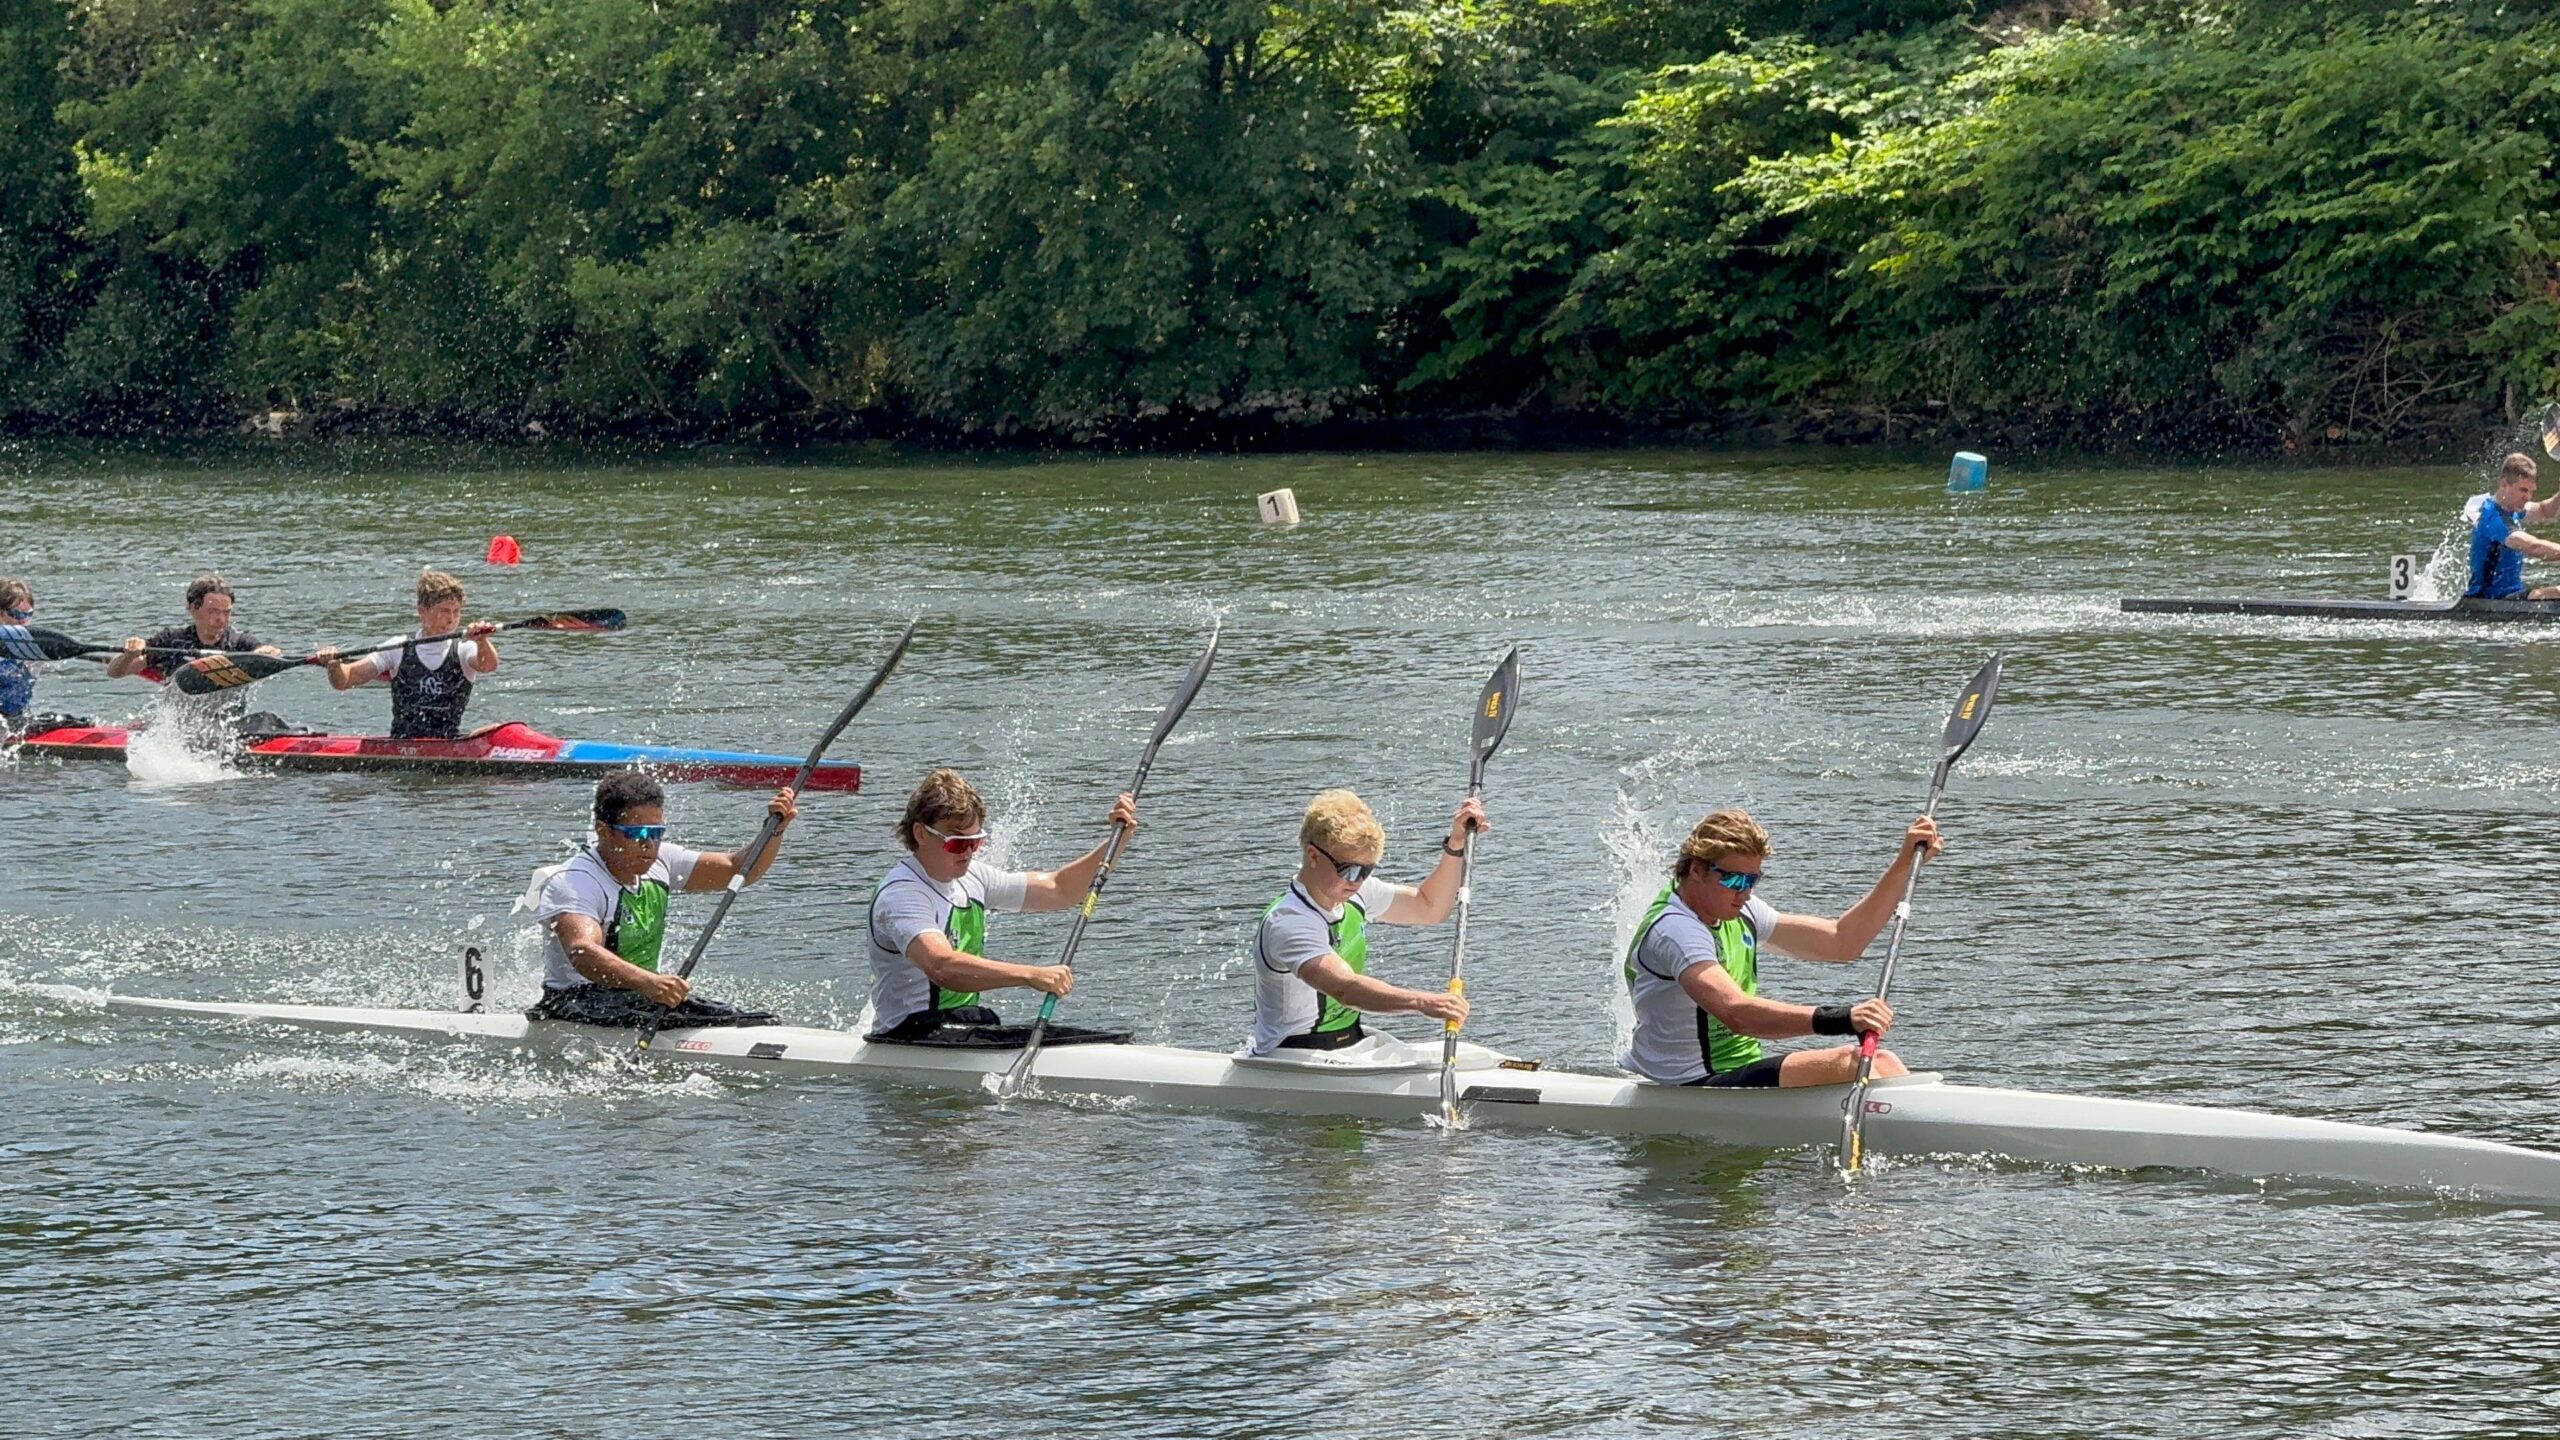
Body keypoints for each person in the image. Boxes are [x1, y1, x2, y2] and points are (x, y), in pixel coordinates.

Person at [1620, 807, 1942, 1088]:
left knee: (1879, 1061)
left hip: (1735, 1069)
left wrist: (1903, 865)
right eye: (1734, 880)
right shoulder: (1676, 930)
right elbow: (1736, 1013)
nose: (1744, 892)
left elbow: (1842, 941)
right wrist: (1842, 1018)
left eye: (1752, 880)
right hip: (1689, 1082)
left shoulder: (1740, 910)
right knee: (1857, 1063)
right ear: (1696, 871)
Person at [863, 767, 1141, 1045]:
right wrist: (1031, 975)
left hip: (956, 1024)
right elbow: (942, 967)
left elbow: (1060, 889)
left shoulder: (973, 877)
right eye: (958, 844)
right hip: (908, 1033)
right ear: (921, 834)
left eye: (976, 842)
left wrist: (1117, 842)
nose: (970, 853)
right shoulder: (902, 894)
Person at [522, 770, 797, 1027]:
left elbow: (738, 870)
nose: (649, 845)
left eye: (656, 833)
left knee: (737, 1015)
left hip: (635, 996)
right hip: (575, 1001)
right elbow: (582, 951)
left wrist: (774, 831)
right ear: (603, 831)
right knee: (716, 1016)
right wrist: (649, 982)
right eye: (638, 834)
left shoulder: (662, 861)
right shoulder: (576, 882)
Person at [1244, 789, 1482, 1055]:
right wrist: (1422, 1002)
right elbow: (1344, 989)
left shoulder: (1357, 893)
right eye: (1349, 870)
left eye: (1367, 870)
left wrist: (1456, 845)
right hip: (1293, 1055)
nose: (1357, 881)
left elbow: (1430, 908)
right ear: (1313, 856)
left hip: (1348, 1044)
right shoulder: (1289, 922)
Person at [314, 569, 499, 739]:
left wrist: (482, 641)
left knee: (498, 728)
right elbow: (344, 681)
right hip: (401, 743)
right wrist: (333, 664)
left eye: (456, 611)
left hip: (448, 742)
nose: (451, 619)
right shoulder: (398, 648)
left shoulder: (464, 648)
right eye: (444, 611)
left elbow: (488, 666)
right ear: (423, 612)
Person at [104, 573, 288, 730]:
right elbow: (115, 672)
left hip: (227, 729)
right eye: (214, 611)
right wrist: (129, 654)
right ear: (193, 608)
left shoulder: (240, 642)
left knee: (267, 720)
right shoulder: (172, 641)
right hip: (178, 728)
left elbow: (263, 652)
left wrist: (267, 652)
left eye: (227, 612)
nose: (221, 619)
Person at [2466, 453, 2560, 600]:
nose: (2528, 497)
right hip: (2490, 598)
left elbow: (2544, 510)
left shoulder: (2512, 508)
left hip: (2512, 593)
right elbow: (2533, 547)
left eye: (2531, 491)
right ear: (2504, 484)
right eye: (2523, 490)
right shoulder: (2492, 518)